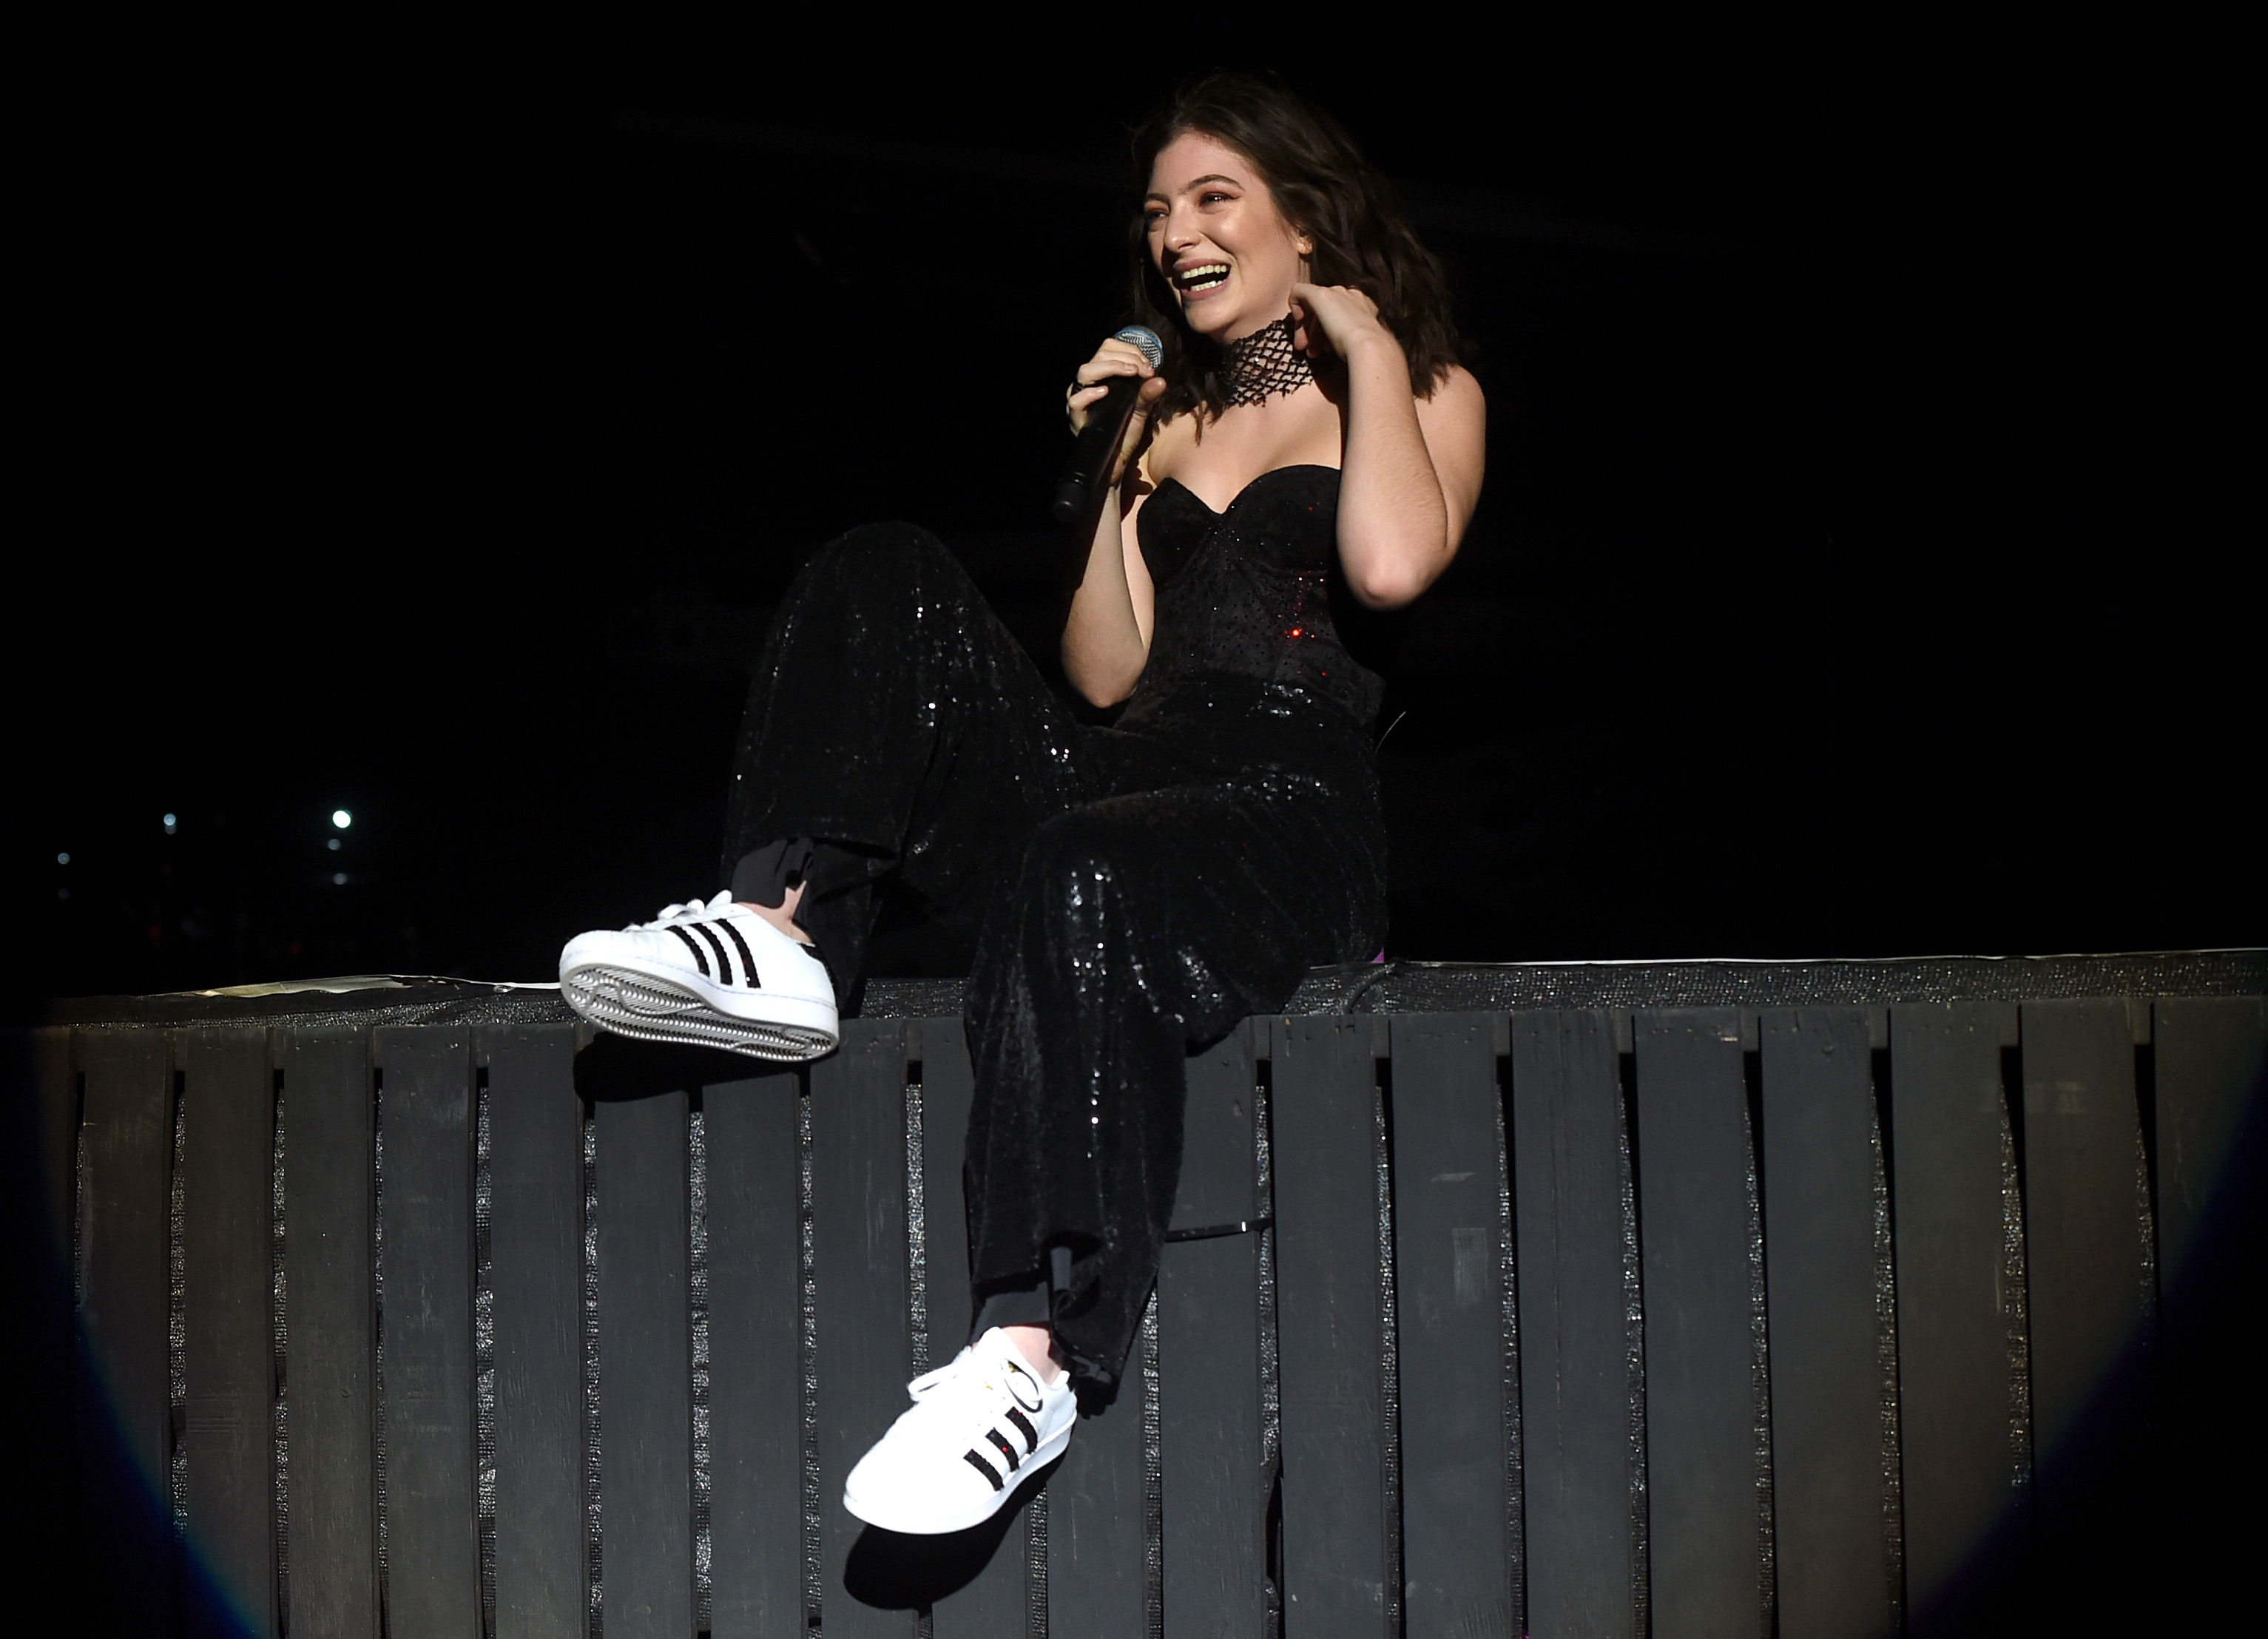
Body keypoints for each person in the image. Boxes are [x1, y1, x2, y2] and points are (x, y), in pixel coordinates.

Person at [557, 70, 1484, 1535]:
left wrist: (1362, 338)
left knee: (1085, 865)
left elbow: (1386, 572)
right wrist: (1119, 477)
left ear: (1308, 218)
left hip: (1285, 816)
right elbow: (1105, 677)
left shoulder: (1422, 385)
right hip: (1126, 788)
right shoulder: (1168, 420)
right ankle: (782, 922)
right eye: (1159, 211)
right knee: (884, 566)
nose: (1176, 232)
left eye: (1213, 198)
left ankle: (1034, 1351)